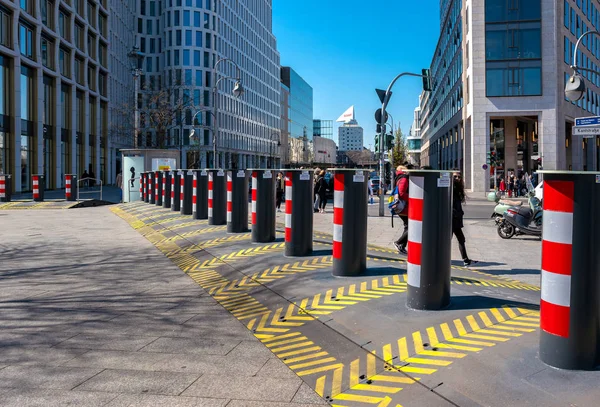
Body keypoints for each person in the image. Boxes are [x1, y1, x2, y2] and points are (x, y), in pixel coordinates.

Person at [452, 172, 478, 267]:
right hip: (452, 218)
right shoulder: (451, 188)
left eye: (459, 176)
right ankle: (465, 260)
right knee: (458, 239)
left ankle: (466, 260)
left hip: (456, 218)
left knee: (461, 239)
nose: (457, 178)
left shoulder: (458, 188)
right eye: (455, 176)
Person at [393, 165, 410, 254]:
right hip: (404, 207)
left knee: (407, 226)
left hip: (402, 207)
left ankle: (402, 246)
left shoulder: (399, 178)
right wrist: (412, 197)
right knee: (411, 227)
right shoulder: (404, 179)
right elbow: (402, 193)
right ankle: (399, 242)